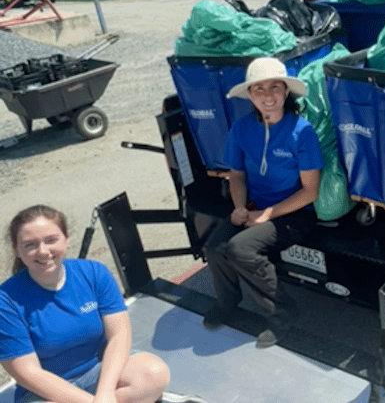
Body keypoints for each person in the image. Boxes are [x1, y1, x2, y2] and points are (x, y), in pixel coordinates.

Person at [202, 57, 323, 349]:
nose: (268, 96)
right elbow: (237, 175)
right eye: (259, 89)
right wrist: (240, 207)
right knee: (214, 248)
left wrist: (267, 215)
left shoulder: (302, 132)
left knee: (240, 248)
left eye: (275, 88)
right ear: (251, 95)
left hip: (295, 214)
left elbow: (310, 192)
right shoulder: (242, 129)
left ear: (286, 92)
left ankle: (283, 314)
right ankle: (227, 303)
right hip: (257, 209)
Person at [0, 205, 172, 403]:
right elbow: (28, 373)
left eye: (51, 240)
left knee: (154, 374)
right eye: (30, 244)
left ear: (66, 240)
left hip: (98, 371)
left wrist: (106, 393)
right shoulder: (5, 301)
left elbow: (119, 335)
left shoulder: (94, 273)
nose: (43, 251)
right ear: (16, 250)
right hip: (46, 391)